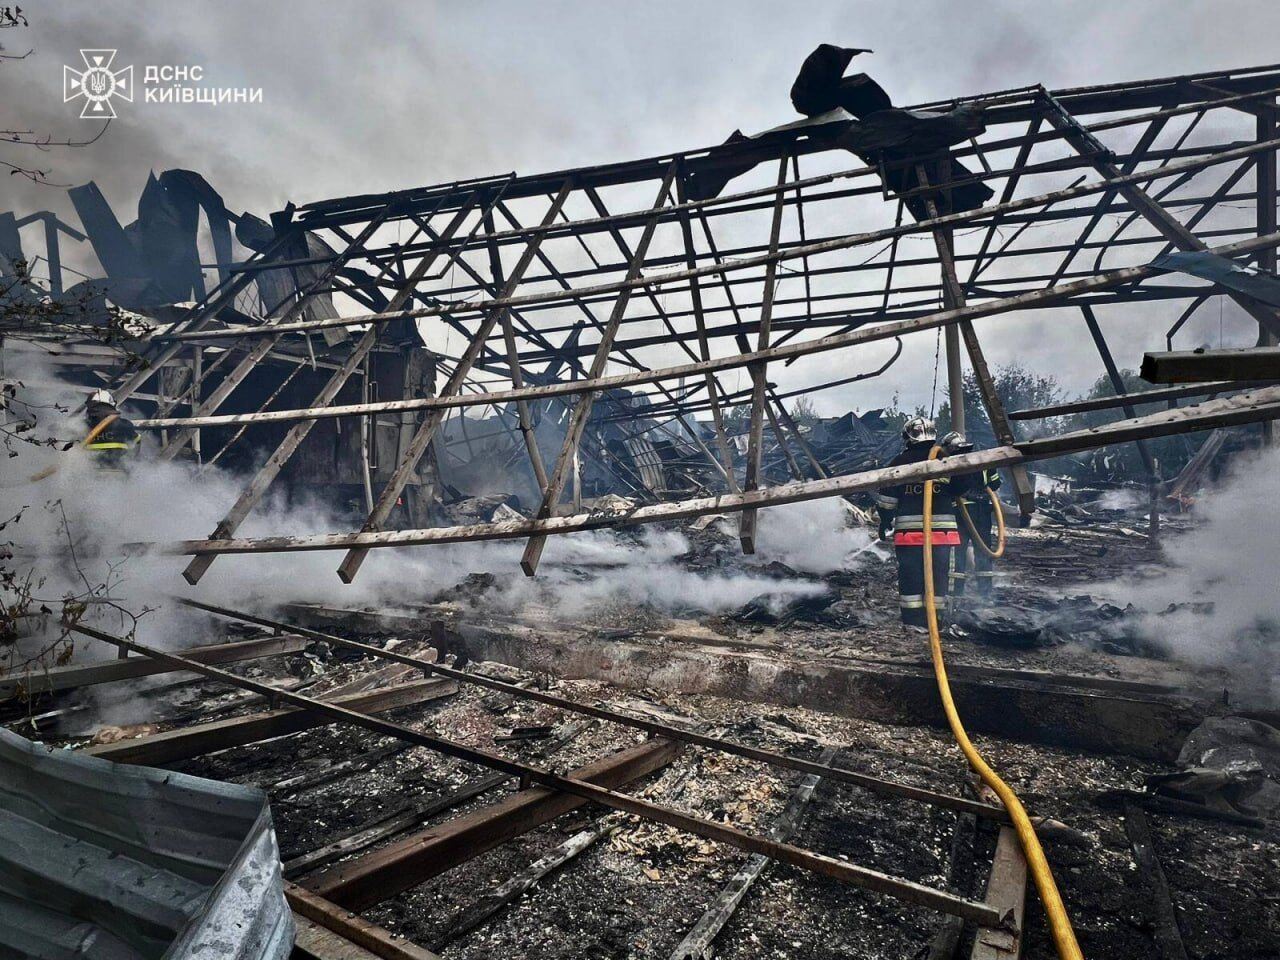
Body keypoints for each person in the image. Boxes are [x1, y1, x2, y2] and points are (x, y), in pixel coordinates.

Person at [875, 417, 973, 628]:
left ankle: (913, 621)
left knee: (911, 577)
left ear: (907, 437)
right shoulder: (944, 461)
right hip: (942, 535)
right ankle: (936, 620)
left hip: (910, 536)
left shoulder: (899, 463)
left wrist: (884, 521)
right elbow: (961, 489)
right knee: (939, 577)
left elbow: (886, 500)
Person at [940, 431, 1002, 598]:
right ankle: (985, 595)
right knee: (983, 551)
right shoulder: (982, 459)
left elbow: (946, 488)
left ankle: (955, 594)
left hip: (960, 513)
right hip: (982, 511)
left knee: (957, 553)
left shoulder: (949, 462)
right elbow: (995, 483)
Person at [83, 389, 139, 471]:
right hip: (120, 472)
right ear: (111, 405)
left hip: (90, 473)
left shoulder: (83, 426)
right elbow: (136, 444)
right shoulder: (125, 425)